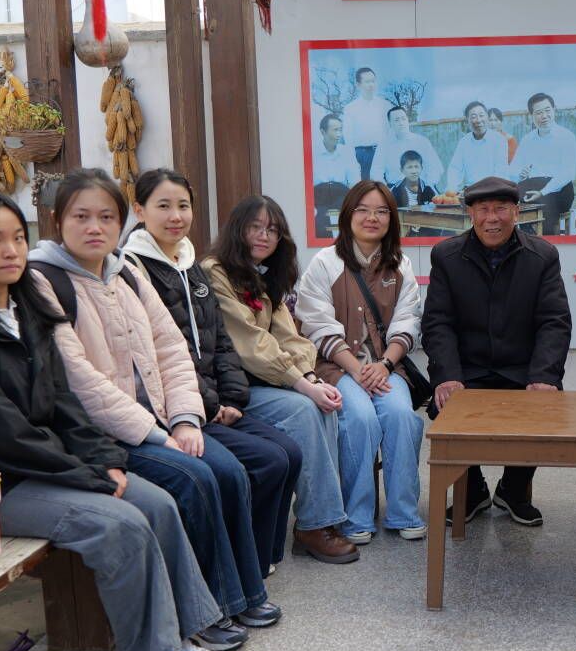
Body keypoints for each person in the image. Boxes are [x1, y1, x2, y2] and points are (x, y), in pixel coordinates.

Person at [0, 188, 233, 651]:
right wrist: (89, 476)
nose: (11, 251)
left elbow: (64, 402)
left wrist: (105, 460)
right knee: (120, 523)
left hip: (50, 465)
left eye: (17, 238)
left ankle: (180, 638)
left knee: (157, 503)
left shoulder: (26, 309)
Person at [28, 169, 270, 651]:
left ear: (122, 221)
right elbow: (80, 380)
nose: (95, 227)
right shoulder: (43, 280)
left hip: (162, 420)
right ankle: (207, 611)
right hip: (105, 436)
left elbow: (172, 349)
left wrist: (184, 419)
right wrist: (158, 434)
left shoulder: (126, 273)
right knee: (193, 478)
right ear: (58, 221)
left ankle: (241, 595)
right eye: (81, 216)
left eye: (106, 217)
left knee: (228, 470)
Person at [124, 168, 303, 579]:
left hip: (212, 400)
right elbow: (164, 355)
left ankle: (260, 558)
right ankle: (242, 567)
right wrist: (209, 403)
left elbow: (220, 340)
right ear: (139, 210)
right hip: (173, 408)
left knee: (288, 453)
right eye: (163, 206)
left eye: (183, 206)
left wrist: (232, 399)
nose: (175, 216)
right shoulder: (134, 270)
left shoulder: (192, 266)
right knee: (261, 462)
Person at [202, 195, 360, 564]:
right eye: (255, 227)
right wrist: (302, 385)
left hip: (262, 381)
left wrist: (311, 377)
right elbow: (250, 343)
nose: (264, 236)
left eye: (272, 230)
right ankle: (316, 523)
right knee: (303, 409)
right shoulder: (215, 272)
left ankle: (320, 520)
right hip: (229, 389)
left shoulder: (260, 275)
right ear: (237, 229)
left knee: (324, 405)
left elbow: (289, 336)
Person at [422, 176, 572, 526]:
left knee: (542, 406)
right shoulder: (446, 256)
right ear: (471, 214)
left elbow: (554, 321)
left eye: (501, 209)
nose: (492, 218)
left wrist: (544, 376)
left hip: (522, 369)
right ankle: (472, 490)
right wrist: (447, 376)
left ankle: (513, 490)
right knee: (446, 406)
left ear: (516, 212)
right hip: (468, 369)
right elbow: (437, 322)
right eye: (483, 209)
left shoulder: (542, 256)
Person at [296, 180, 426, 542]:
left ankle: (403, 511)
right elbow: (316, 326)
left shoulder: (400, 264)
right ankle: (356, 516)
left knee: (401, 415)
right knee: (360, 418)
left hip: (386, 366)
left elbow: (407, 322)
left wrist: (384, 366)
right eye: (364, 210)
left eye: (382, 211)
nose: (373, 218)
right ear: (348, 215)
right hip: (337, 367)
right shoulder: (325, 263)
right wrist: (357, 370)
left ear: (392, 219)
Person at [510, 92, 576, 236]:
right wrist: (519, 174)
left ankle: (546, 244)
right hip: (532, 187)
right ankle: (528, 239)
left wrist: (542, 192)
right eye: (539, 113)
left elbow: (568, 174)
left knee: (544, 207)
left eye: (547, 110)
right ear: (532, 116)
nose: (544, 116)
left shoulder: (567, 137)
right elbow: (514, 169)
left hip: (559, 190)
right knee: (512, 201)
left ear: (554, 110)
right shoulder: (527, 140)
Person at [370, 106, 443, 188]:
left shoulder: (422, 141)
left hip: (421, 188)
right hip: (395, 189)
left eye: (403, 119)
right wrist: (385, 190)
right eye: (396, 120)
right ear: (390, 124)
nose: (401, 123)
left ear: (408, 120)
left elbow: (435, 168)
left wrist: (428, 186)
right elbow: (375, 171)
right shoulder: (384, 146)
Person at [312, 113, 360, 237]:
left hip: (341, 194)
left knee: (347, 225)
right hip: (318, 195)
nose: (339, 134)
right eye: (335, 130)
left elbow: (354, 180)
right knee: (320, 224)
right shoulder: (312, 152)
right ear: (323, 132)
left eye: (340, 130)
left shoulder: (347, 152)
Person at [446, 101, 511, 192]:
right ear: (467, 121)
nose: (478, 120)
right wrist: (451, 190)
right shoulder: (463, 142)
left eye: (481, 115)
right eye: (473, 117)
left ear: (487, 117)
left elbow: (500, 171)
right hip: (472, 191)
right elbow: (455, 168)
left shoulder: (499, 140)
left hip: (496, 190)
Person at [342, 67, 390, 180]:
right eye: (367, 82)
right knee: (365, 188)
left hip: (383, 152)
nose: (371, 85)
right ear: (358, 84)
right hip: (362, 156)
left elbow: (389, 131)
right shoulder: (350, 108)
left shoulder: (385, 105)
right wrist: (353, 161)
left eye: (373, 81)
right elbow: (348, 138)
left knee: (383, 188)